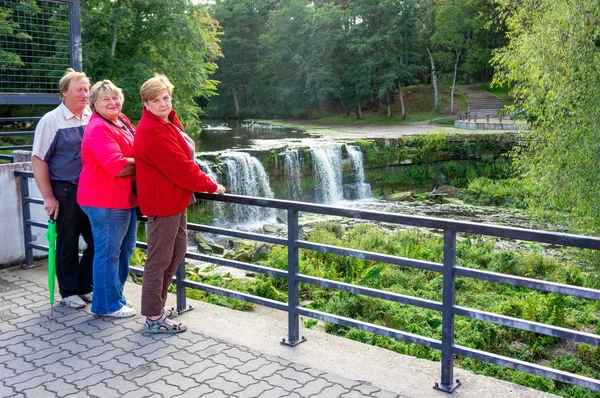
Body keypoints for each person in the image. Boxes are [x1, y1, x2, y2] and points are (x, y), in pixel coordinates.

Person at [134, 74, 225, 333]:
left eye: (166, 97)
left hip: (175, 200)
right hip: (163, 203)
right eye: (156, 100)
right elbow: (181, 168)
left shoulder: (165, 122)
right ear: (146, 103)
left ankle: (158, 307)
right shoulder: (153, 131)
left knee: (176, 252)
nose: (163, 103)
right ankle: (153, 317)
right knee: (159, 260)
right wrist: (211, 185)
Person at [32, 68, 94, 309]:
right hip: (65, 191)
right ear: (64, 92)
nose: (84, 94)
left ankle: (85, 286)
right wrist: (48, 196)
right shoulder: (51, 121)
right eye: (79, 89)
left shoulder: (91, 115)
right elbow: (38, 160)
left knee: (97, 241)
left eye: (87, 89)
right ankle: (69, 291)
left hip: (91, 190)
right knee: (67, 242)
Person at [77, 80, 138, 318]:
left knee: (124, 250)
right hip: (105, 200)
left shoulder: (121, 121)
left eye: (116, 97)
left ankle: (116, 297)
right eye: (106, 99)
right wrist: (149, 164)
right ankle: (105, 305)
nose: (113, 102)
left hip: (124, 198)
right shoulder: (98, 128)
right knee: (109, 252)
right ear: (94, 104)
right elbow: (117, 166)